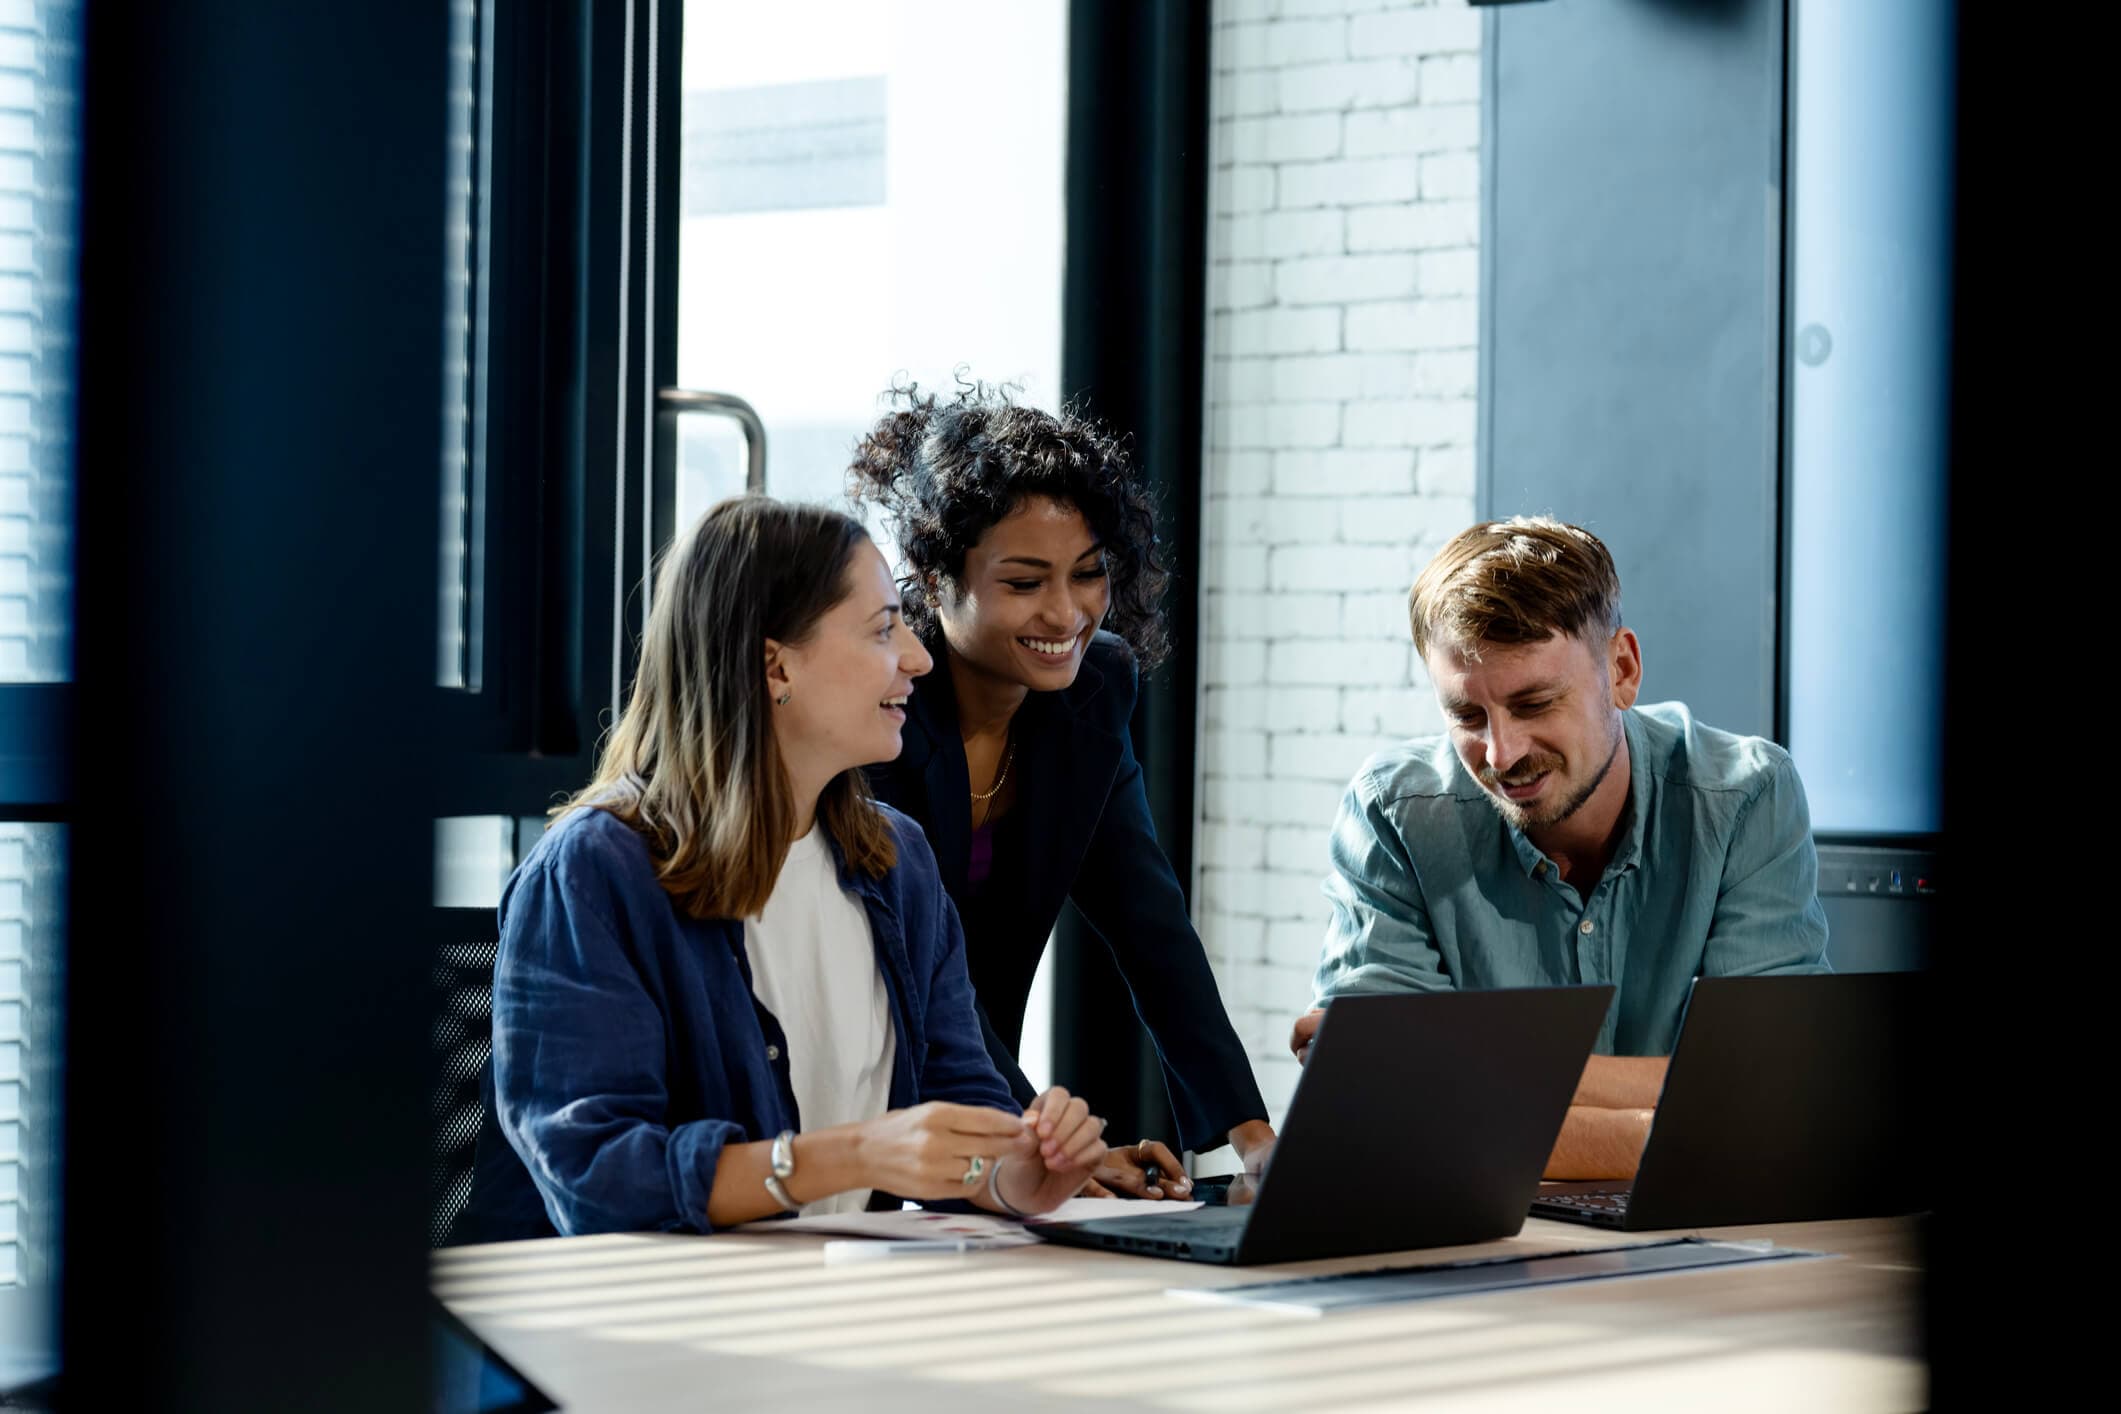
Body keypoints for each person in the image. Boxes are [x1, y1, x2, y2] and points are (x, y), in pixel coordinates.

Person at [454, 496, 1108, 1242]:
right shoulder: (594, 872)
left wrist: (1015, 1173)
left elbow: (956, 1099)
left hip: (813, 1308)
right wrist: (852, 1154)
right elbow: (600, 1178)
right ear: (774, 665)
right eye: (882, 628)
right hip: (609, 1328)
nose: (918, 659)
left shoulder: (897, 862)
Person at [1289, 516, 1829, 1179]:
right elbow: (1378, 1111)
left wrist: (1453, 1070)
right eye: (1465, 715)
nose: (1500, 752)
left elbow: (1773, 1098)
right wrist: (1674, 1119)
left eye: (1534, 703)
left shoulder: (1745, 796)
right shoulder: (1393, 812)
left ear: (1622, 670)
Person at [852, 381, 1275, 1198]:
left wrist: (1251, 1137)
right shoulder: (881, 713)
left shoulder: (1092, 689)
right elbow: (913, 972)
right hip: (859, 1101)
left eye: (1087, 574)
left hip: (982, 1109)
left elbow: (1150, 925)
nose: (1066, 613)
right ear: (935, 576)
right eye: (1022, 582)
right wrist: (1039, 1147)